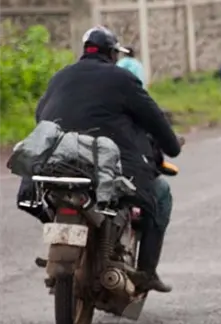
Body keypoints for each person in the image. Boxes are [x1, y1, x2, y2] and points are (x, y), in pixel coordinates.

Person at [36, 26, 181, 293]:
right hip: (107, 164)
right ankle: (147, 272)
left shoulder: (60, 77)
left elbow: (41, 115)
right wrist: (171, 145)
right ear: (112, 54)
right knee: (160, 193)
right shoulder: (122, 79)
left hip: (57, 163)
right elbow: (153, 117)